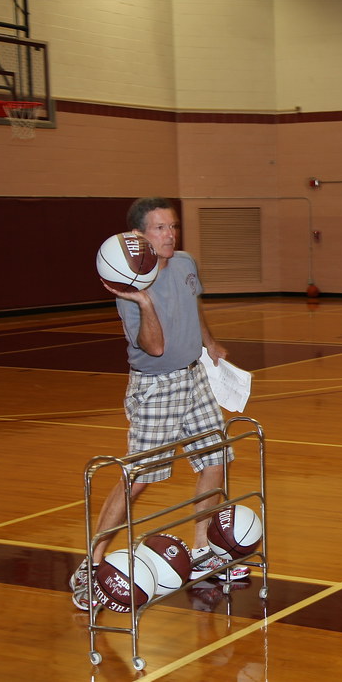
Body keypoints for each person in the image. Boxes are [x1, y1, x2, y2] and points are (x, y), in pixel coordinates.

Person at [70, 197, 248, 611]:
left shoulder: (185, 263)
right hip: (156, 387)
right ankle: (91, 562)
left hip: (194, 375)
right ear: (137, 238)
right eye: (160, 228)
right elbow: (152, 346)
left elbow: (193, 303)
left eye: (173, 226)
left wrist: (209, 341)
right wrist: (145, 303)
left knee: (215, 460)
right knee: (138, 478)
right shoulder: (129, 283)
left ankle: (203, 549)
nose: (170, 235)